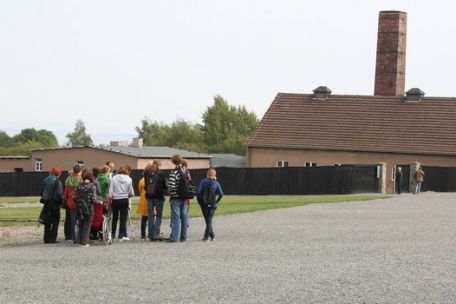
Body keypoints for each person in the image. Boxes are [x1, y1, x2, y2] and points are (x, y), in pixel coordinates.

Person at [73, 169, 100, 247]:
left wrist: (79, 202)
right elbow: (94, 199)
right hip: (89, 207)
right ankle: (84, 242)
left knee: (80, 224)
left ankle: (79, 241)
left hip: (79, 207)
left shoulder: (78, 185)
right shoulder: (92, 186)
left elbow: (74, 197)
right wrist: (99, 202)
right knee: (87, 224)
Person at [197, 168, 224, 241]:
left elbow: (198, 192)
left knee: (208, 220)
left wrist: (200, 202)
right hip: (212, 204)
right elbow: (221, 194)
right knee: (209, 220)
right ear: (214, 175)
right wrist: (216, 202)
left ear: (207, 174)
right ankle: (212, 236)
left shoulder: (203, 182)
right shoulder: (216, 183)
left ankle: (206, 237)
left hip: (204, 204)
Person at [109, 164, 134, 241]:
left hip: (116, 199)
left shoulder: (114, 178)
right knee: (123, 218)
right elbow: (130, 191)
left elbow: (111, 190)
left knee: (115, 218)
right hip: (124, 199)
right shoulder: (129, 179)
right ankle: (121, 235)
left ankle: (113, 235)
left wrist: (110, 198)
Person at [39, 166, 63, 244]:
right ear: (58, 173)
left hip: (46, 203)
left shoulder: (45, 180)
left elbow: (41, 192)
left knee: (47, 221)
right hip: (55, 203)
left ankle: (46, 238)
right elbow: (59, 193)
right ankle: (52, 239)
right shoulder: (57, 181)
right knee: (56, 221)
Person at [167, 154, 187, 242]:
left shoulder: (174, 172)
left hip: (176, 198)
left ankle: (174, 238)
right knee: (184, 218)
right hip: (185, 197)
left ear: (173, 162)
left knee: (176, 218)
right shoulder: (186, 171)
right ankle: (184, 237)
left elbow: (171, 186)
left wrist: (172, 194)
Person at [145, 160, 167, 241]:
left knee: (150, 216)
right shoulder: (161, 174)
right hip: (159, 197)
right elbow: (165, 186)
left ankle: (150, 234)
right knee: (159, 216)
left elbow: (146, 185)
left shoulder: (147, 173)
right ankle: (156, 234)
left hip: (149, 196)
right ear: (158, 165)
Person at [63, 165, 83, 243]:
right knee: (80, 221)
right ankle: (80, 237)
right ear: (80, 171)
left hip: (71, 202)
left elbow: (66, 193)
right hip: (80, 202)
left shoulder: (68, 180)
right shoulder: (81, 180)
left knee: (72, 221)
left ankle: (73, 238)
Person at [137, 165, 150, 240]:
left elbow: (140, 190)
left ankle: (143, 235)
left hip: (143, 198)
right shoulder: (152, 179)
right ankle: (150, 233)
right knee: (151, 218)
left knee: (144, 218)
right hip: (151, 198)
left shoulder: (142, 180)